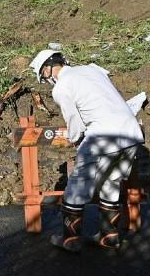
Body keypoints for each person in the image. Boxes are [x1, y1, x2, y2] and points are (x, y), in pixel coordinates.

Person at [29, 50, 145, 253]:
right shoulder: (93, 70)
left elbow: (74, 121)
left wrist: (76, 141)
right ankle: (109, 237)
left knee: (77, 187)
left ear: (47, 69)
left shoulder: (62, 87)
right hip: (130, 132)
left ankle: (70, 239)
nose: (46, 79)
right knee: (111, 183)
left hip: (102, 135)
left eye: (44, 75)